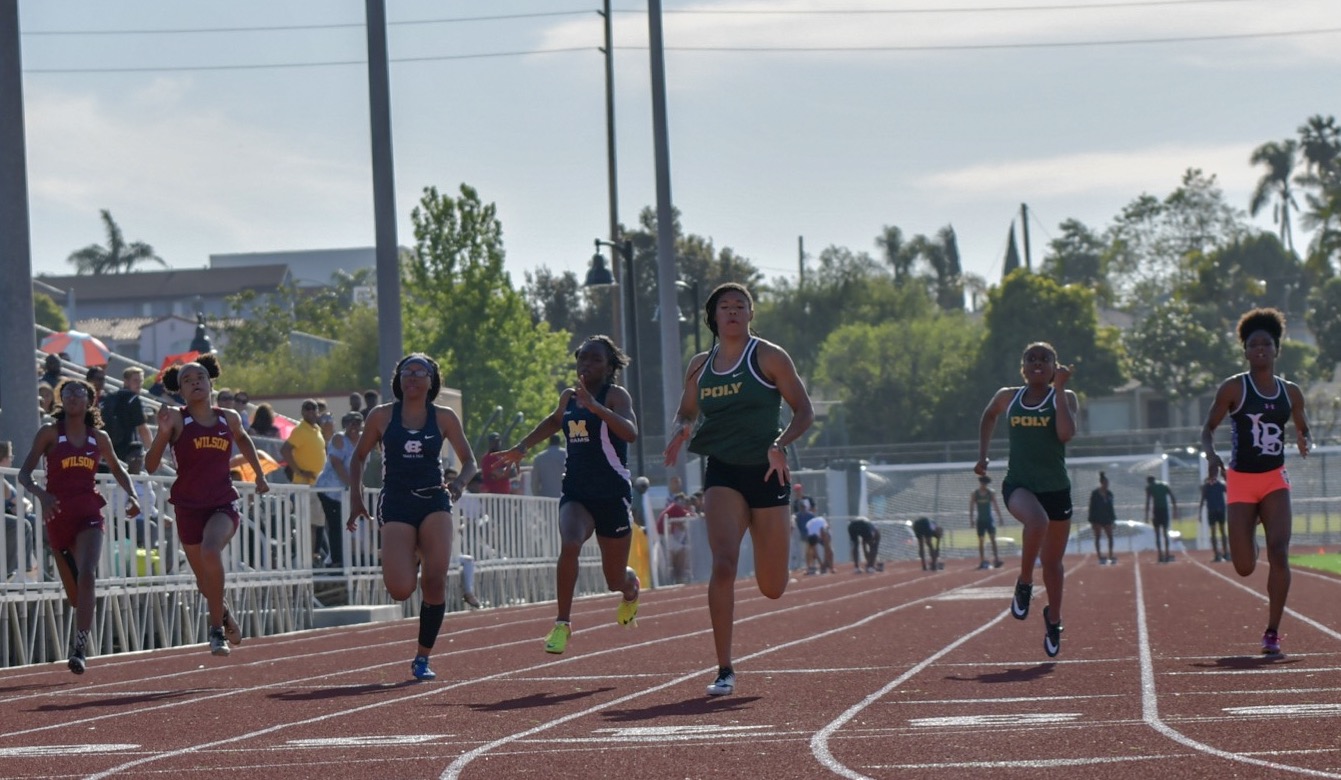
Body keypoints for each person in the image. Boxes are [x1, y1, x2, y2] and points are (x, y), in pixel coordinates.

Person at [664, 282, 814, 697]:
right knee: (725, 564)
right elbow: (686, 410)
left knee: (772, 587)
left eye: (740, 306)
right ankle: (724, 667)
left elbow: (805, 411)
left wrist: (780, 445)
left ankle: (776, 567)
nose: (732, 312)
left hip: (766, 473)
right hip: (723, 473)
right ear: (713, 317)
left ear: (750, 314)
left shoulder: (768, 356)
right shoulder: (700, 364)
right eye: (725, 307)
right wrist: (682, 429)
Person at [501, 335, 641, 655]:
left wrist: (597, 408)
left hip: (612, 493)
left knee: (614, 579)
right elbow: (554, 421)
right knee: (570, 542)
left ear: (608, 367)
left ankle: (630, 590)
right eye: (582, 359)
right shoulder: (569, 396)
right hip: (576, 490)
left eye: (595, 359)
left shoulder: (616, 396)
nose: (586, 365)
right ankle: (562, 624)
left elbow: (630, 433)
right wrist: (523, 447)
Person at [346, 354, 477, 681]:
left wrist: (459, 483)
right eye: (407, 371)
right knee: (401, 589)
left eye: (421, 372)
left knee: (434, 581)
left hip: (434, 498)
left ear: (432, 381)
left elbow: (470, 462)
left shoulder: (444, 417)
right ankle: (409, 554)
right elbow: (359, 457)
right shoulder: (381, 416)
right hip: (397, 501)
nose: (414, 377)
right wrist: (356, 497)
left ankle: (422, 657)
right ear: (398, 379)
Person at [1200, 307, 1311, 656]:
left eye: (1266, 343)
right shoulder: (1234, 387)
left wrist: (1305, 437)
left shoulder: (1290, 392)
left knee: (1280, 553)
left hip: (1275, 479)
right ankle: (1252, 542)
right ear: (1245, 351)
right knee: (1245, 567)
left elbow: (1302, 423)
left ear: (1276, 349)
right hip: (1242, 481)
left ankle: (1272, 632)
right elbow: (1208, 429)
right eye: (1253, 344)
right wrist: (1211, 455)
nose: (1260, 349)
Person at [145, 355, 270, 657]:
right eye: (187, 380)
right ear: (180, 390)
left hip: (222, 504)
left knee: (210, 551)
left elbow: (243, 441)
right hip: (187, 507)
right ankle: (225, 614)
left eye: (199, 376)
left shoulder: (229, 417)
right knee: (204, 580)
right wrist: (162, 435)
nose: (194, 382)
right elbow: (150, 466)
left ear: (210, 382)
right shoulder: (175, 418)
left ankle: (215, 631)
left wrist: (260, 475)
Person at [18, 378, 141, 674]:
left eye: (80, 392)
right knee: (75, 595)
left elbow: (117, 467)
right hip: (57, 515)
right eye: (69, 392)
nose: (74, 396)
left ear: (90, 400)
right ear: (62, 399)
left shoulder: (98, 438)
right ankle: (80, 632)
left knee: (88, 574)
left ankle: (79, 647)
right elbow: (24, 474)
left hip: (88, 513)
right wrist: (42, 495)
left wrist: (132, 495)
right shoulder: (49, 433)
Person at [976, 341, 1078, 659]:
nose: (1037, 363)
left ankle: (1054, 619)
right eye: (1030, 358)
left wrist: (1059, 390)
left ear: (1054, 367)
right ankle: (1023, 582)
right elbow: (988, 416)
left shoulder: (1064, 397)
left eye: (1044, 359)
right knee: (1037, 521)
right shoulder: (1008, 396)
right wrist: (983, 456)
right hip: (1019, 485)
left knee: (1053, 564)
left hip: (1055, 489)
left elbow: (1065, 434)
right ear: (1022, 367)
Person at [282, 399, 328, 566]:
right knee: (306, 524)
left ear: (318, 412)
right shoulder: (300, 430)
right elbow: (285, 450)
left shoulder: (316, 429)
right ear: (302, 412)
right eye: (307, 409)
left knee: (316, 523)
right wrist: (299, 471)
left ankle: (312, 557)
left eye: (313, 409)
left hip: (317, 485)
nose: (310, 412)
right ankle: (305, 560)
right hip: (304, 485)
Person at [314, 412, 362, 568]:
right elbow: (337, 464)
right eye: (350, 423)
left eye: (357, 423)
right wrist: (353, 485)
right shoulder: (339, 439)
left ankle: (344, 559)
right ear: (344, 425)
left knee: (348, 525)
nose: (353, 426)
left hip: (345, 492)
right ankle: (336, 561)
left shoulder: (363, 440)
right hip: (329, 489)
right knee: (336, 524)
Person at [99, 367, 153, 471]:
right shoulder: (133, 399)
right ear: (126, 381)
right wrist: (153, 453)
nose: (139, 384)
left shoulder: (109, 397)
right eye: (135, 380)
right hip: (127, 452)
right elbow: (143, 429)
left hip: (108, 450)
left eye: (141, 381)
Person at [969, 475, 1006, 569]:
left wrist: (1000, 517)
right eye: (982, 483)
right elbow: (972, 507)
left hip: (989, 520)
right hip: (980, 520)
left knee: (993, 539)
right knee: (981, 540)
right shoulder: (975, 493)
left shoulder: (991, 493)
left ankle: (996, 559)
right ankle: (982, 561)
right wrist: (971, 519)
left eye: (985, 483)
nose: (984, 485)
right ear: (980, 483)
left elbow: (995, 505)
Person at [659, 492, 694, 584]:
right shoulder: (675, 508)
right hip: (664, 535)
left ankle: (677, 575)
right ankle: (678, 576)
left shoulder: (673, 509)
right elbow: (690, 516)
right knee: (682, 550)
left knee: (680, 550)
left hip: (666, 535)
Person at [1144, 475, 1179, 563]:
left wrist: (1146, 515)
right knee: (1165, 533)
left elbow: (1148, 501)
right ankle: (1167, 554)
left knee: (1157, 534)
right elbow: (1172, 497)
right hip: (1164, 511)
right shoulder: (1164, 485)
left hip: (1157, 511)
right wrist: (1175, 510)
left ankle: (1160, 555)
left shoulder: (1149, 487)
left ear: (1149, 481)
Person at [1199, 473, 1229, 563]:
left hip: (1218, 510)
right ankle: (1218, 553)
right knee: (1216, 532)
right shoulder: (1208, 487)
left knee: (1220, 531)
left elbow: (1229, 493)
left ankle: (1224, 553)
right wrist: (1199, 513)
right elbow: (1202, 499)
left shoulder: (1218, 485)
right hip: (1215, 511)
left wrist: (1199, 513)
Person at [1088, 472, 1117, 564]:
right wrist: (1091, 521)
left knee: (1110, 537)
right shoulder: (1095, 493)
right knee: (1098, 537)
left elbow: (1111, 507)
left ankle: (1110, 555)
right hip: (1097, 518)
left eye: (1107, 483)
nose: (1106, 484)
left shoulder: (1109, 494)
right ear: (1101, 483)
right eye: (1105, 483)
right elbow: (1091, 507)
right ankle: (1100, 556)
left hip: (1107, 518)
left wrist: (1113, 519)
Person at [529, 434, 566, 499]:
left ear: (549, 442)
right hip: (565, 496)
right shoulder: (567, 455)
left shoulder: (539, 457)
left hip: (546, 497)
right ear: (559, 442)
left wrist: (536, 495)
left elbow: (535, 480)